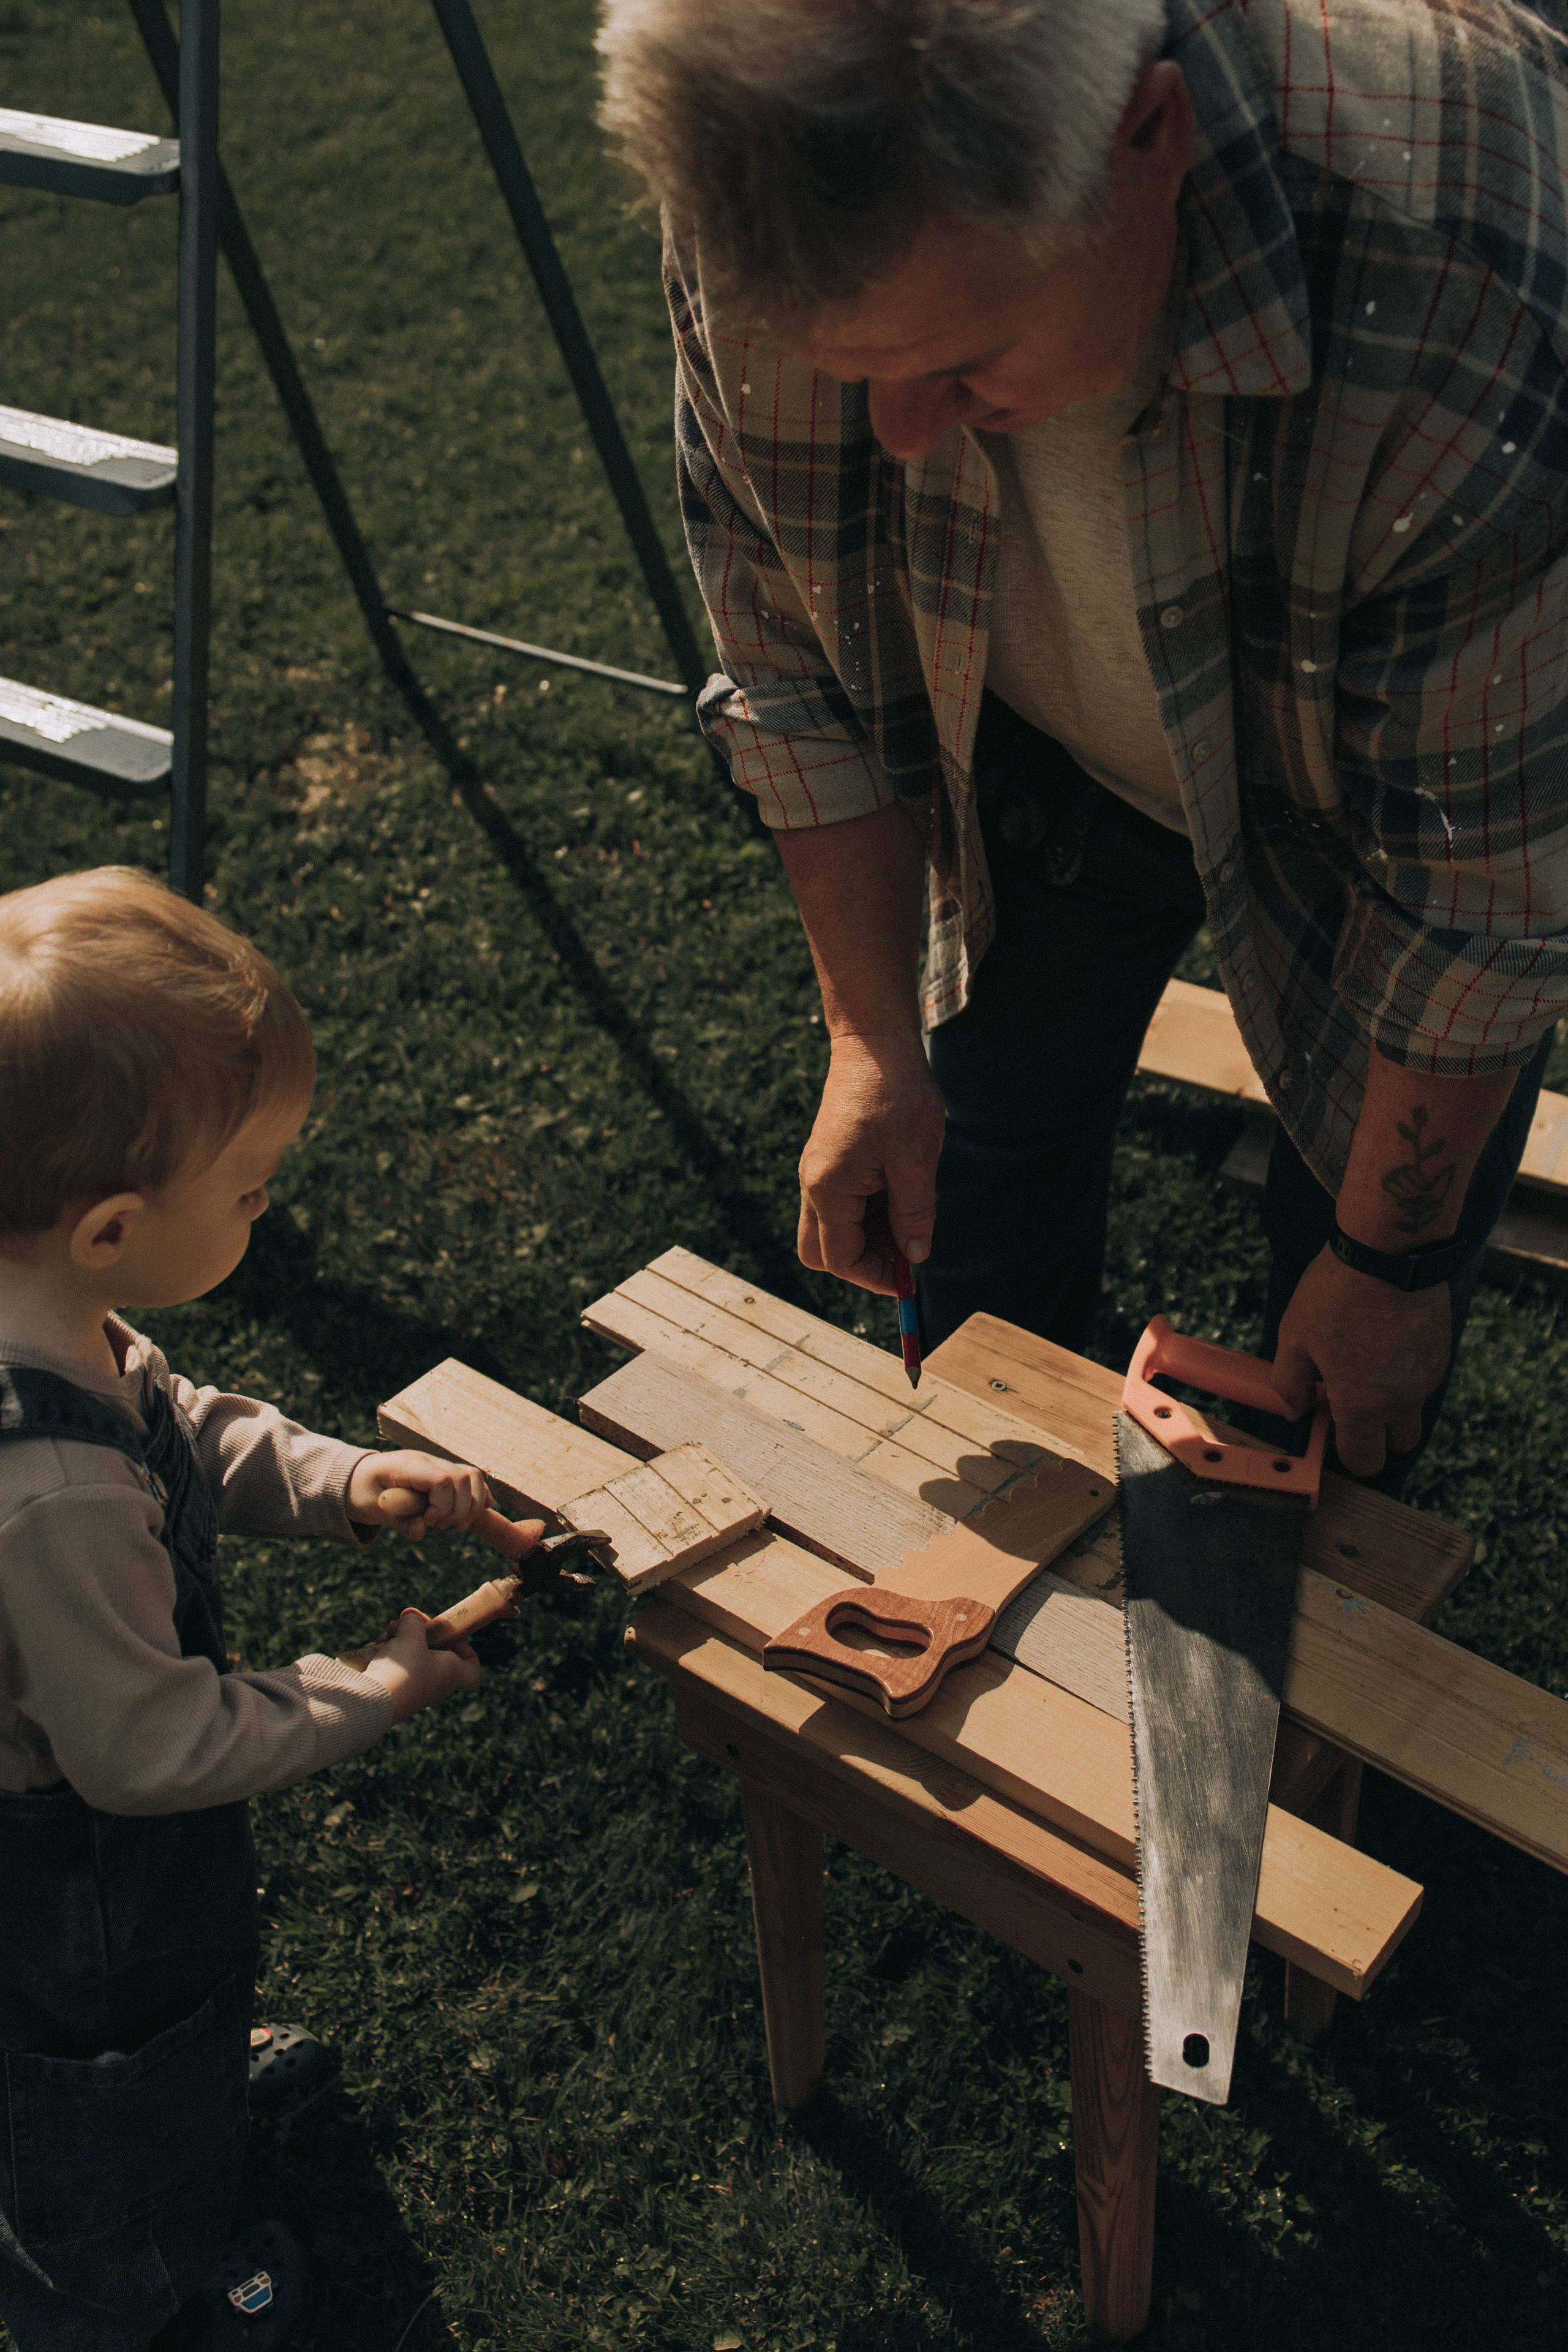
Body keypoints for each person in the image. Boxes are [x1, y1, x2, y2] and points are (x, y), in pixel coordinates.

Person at [598, 0, 1568, 1491]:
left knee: (1344, 1339)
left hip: (1387, 823)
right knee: (974, 1189)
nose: (900, 433)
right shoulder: (764, 155)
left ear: (1149, 138)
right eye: (849, 368)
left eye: (962, 361)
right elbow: (786, 659)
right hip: (1038, 761)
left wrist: (1389, 1262)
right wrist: (870, 1040)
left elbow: (1477, 898)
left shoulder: (1465, 282)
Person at [0, 868, 541, 2352]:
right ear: (110, 1228)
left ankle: (166, 2086)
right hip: (77, 1869)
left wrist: (339, 1479)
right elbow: (152, 1751)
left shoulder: (53, 1321)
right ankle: (122, 2294)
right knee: (95, 2089)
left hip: (81, 1824)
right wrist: (377, 1683)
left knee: (114, 2055)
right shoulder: (48, 1494)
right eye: (249, 1188)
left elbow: (177, 1428)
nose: (268, 1202)